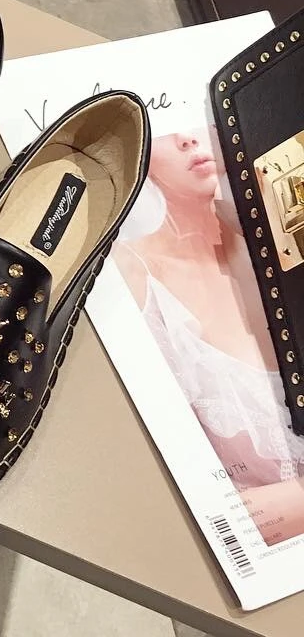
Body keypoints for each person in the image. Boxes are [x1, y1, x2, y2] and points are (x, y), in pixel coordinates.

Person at [116, 131, 304, 546]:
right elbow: (200, 516)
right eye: (166, 128)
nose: (188, 139)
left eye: (200, 122)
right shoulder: (134, 277)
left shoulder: (282, 249)